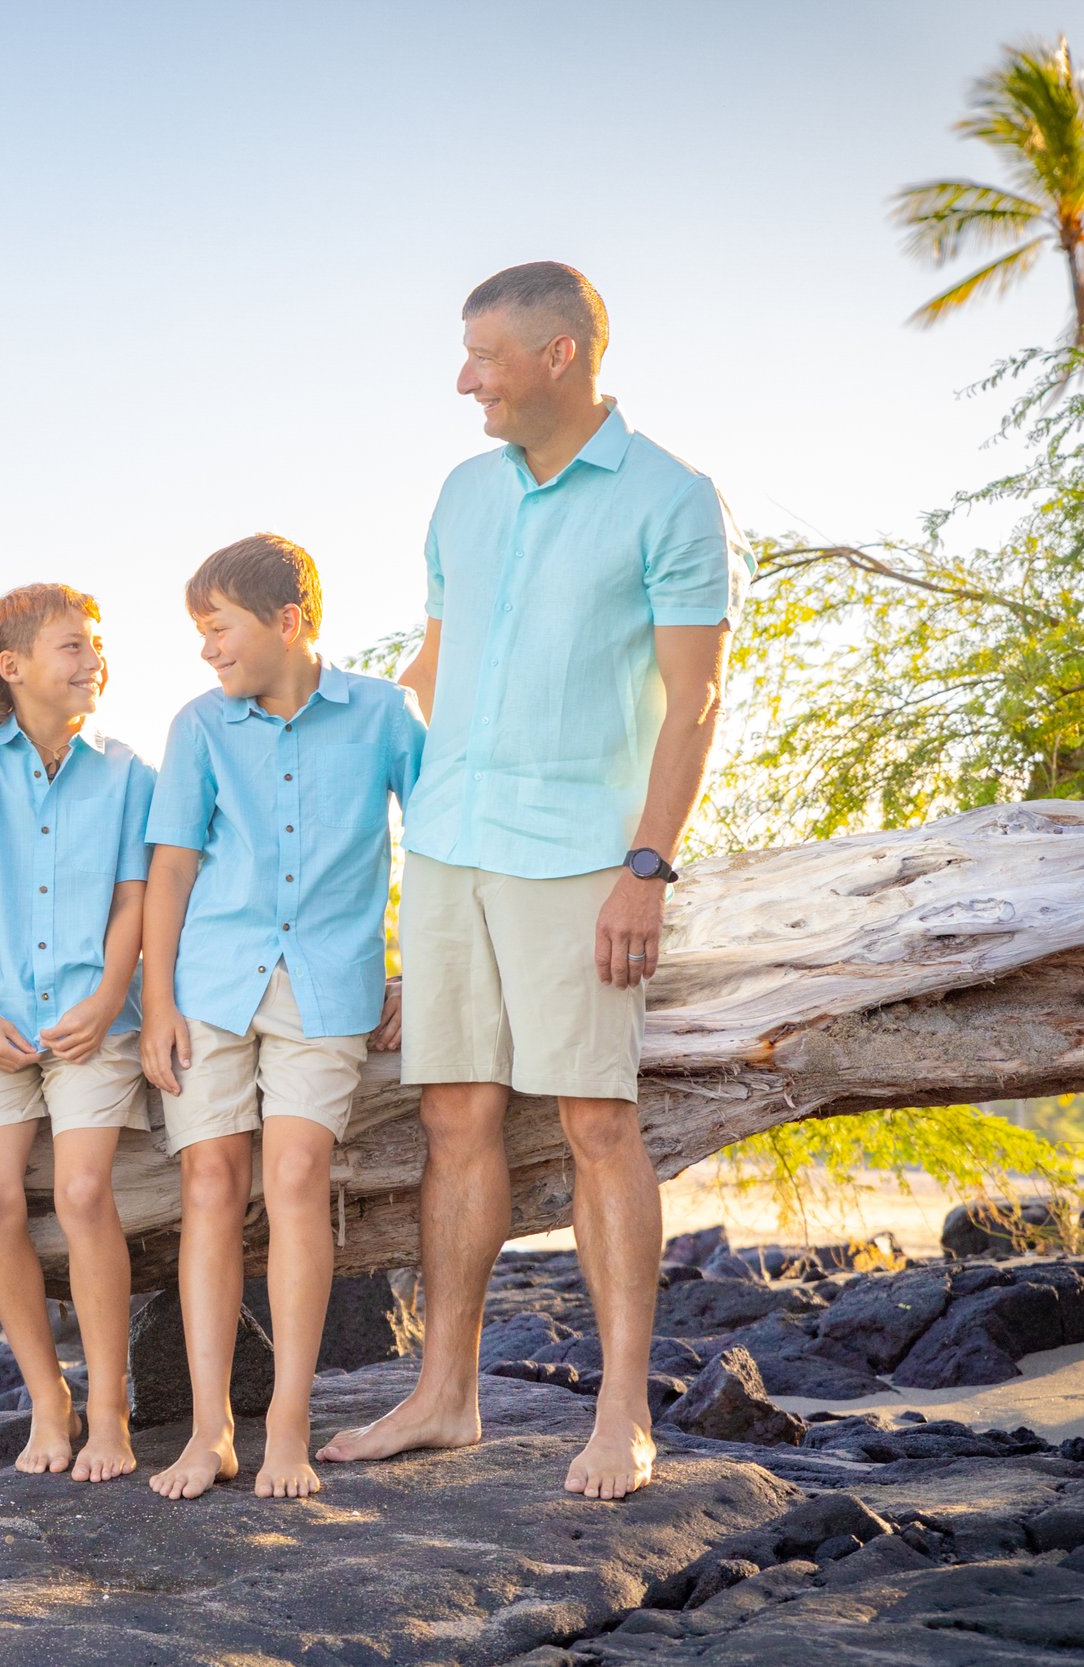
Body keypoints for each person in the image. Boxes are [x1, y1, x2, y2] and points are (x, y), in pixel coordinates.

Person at [318, 262, 745, 1501]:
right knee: (454, 1113)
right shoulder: (462, 494)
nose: (465, 381)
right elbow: (432, 670)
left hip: (581, 856)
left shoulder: (670, 499)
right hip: (449, 845)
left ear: (562, 355)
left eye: (486, 357)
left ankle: (622, 1412)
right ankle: (443, 1392)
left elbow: (692, 705)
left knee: (596, 1118)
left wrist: (645, 869)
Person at [139, 536, 423, 1501]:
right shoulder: (200, 727)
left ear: (288, 620)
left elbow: (433, 848)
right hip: (212, 985)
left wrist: (417, 973)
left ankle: (287, 1421)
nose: (208, 651)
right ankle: (211, 1427)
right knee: (210, 1186)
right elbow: (171, 867)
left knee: (296, 1174)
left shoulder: (387, 714)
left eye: (219, 629)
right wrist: (158, 1000)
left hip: (328, 983)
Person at [0, 583, 155, 1483]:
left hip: (90, 1019)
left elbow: (133, 899)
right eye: (72, 645)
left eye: (96, 644)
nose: (90, 659)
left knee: (80, 1190)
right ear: (14, 665)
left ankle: (108, 1406)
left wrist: (110, 997)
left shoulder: (129, 772)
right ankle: (47, 1396)